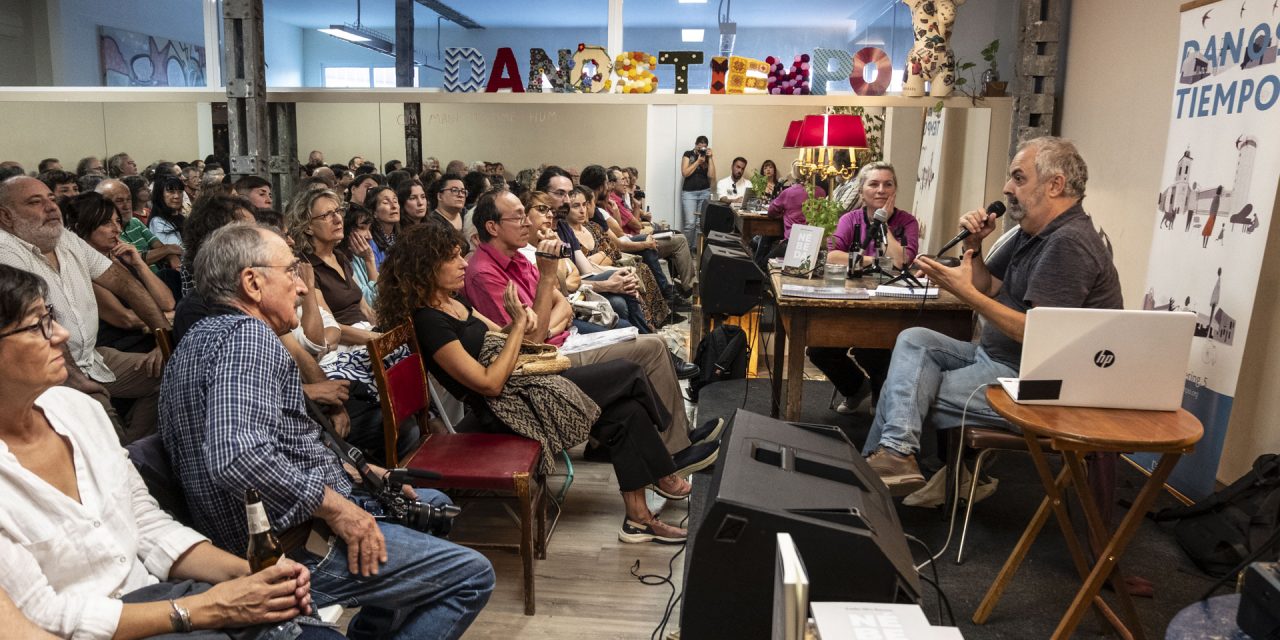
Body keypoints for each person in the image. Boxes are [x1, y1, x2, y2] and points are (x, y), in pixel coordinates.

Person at [160, 224, 494, 639]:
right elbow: (237, 455)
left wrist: (366, 473)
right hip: (292, 546)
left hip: (278, 526)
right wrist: (341, 509)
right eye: (291, 273)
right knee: (472, 575)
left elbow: (277, 444)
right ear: (252, 282)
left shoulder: (200, 338)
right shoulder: (248, 338)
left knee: (431, 504)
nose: (301, 288)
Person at [0, 263, 335, 640]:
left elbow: (145, 523)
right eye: (36, 326)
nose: (60, 334)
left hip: (166, 601)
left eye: (52, 317)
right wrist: (211, 608)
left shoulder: (78, 411)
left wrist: (248, 574)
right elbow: (40, 617)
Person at [380, 223, 696, 543]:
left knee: (627, 412)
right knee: (629, 372)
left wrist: (519, 324)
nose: (463, 263)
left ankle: (639, 519)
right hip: (503, 410)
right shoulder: (429, 322)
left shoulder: (454, 302)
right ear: (425, 266)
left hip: (522, 387)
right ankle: (664, 471)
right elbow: (489, 384)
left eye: (462, 255)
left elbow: (505, 339)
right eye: (452, 258)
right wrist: (518, 325)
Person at [863, 137, 1123, 494]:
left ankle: (877, 476)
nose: (1006, 188)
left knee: (902, 389)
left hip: (1034, 382)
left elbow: (1035, 335)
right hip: (996, 358)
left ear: (1055, 184)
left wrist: (963, 292)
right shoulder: (1032, 232)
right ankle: (895, 458)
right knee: (914, 340)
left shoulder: (1069, 243)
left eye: (1018, 178)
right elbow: (988, 286)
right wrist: (974, 248)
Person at [465, 190, 712, 460]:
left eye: (527, 215)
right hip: (543, 363)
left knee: (655, 343)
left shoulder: (518, 257)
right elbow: (528, 345)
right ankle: (674, 451)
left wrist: (547, 327)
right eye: (519, 217)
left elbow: (563, 306)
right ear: (493, 227)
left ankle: (680, 436)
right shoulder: (484, 273)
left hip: (562, 340)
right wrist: (547, 281)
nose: (527, 223)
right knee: (651, 348)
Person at [0, 176, 171, 442]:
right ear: (6, 216)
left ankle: (135, 450)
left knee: (174, 371)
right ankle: (126, 457)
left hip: (93, 358)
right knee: (101, 419)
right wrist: (76, 380)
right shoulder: (5, 251)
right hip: (49, 373)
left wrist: (165, 340)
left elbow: (122, 282)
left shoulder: (65, 239)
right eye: (35, 202)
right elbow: (42, 320)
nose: (51, 207)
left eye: (51, 199)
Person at [809, 162, 920, 414]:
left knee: (873, 347)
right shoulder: (851, 219)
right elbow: (834, 256)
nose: (881, 190)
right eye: (874, 184)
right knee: (818, 349)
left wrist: (883, 224)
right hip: (850, 302)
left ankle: (882, 397)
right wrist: (877, 262)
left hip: (890, 308)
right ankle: (857, 388)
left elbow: (902, 260)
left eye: (888, 184)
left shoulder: (907, 222)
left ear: (895, 190)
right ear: (861, 192)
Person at [64, 193, 174, 360]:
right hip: (119, 345)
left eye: (117, 221)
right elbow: (125, 318)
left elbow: (167, 302)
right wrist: (173, 317)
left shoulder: (123, 257)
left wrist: (139, 264)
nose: (117, 229)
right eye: (106, 223)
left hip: (149, 334)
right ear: (81, 228)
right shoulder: (84, 270)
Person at [521, 190, 649, 333]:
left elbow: (575, 274)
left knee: (627, 278)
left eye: (550, 210)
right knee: (625, 324)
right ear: (524, 217)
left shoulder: (563, 233)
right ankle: (646, 336)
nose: (550, 214)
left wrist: (566, 281)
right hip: (565, 309)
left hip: (576, 296)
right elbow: (557, 284)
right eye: (542, 209)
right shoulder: (527, 250)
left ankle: (648, 333)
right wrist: (565, 278)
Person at [563, 185, 672, 327]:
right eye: (576, 206)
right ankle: (644, 328)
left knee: (641, 270)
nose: (582, 210)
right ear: (566, 209)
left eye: (584, 205)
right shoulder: (567, 234)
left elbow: (614, 250)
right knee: (630, 280)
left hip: (605, 268)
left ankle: (657, 320)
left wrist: (599, 255)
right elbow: (585, 269)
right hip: (593, 277)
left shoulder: (593, 227)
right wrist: (604, 254)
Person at [97, 178, 182, 270]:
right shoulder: (106, 232)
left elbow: (158, 245)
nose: (127, 206)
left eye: (129, 199)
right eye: (119, 201)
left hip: (159, 277)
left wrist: (171, 256)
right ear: (104, 205)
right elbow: (133, 259)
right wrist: (168, 249)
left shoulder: (135, 222)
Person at [679, 135, 715, 246]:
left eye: (703, 148)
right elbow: (685, 173)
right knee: (690, 223)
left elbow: (711, 175)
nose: (701, 150)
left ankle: (696, 251)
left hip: (704, 192)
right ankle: (686, 249)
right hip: (689, 193)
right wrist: (698, 162)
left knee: (701, 224)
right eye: (699, 148)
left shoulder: (707, 157)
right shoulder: (688, 154)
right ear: (695, 145)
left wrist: (711, 158)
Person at [365, 185, 399, 268]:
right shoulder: (369, 241)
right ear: (374, 212)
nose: (394, 206)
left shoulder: (400, 236)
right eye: (386, 202)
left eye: (395, 201)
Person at [147, 175, 186, 246]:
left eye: (180, 192)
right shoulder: (158, 222)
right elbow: (177, 250)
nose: (177, 196)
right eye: (171, 192)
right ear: (160, 195)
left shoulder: (180, 217)